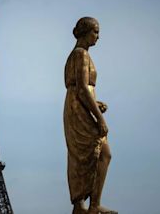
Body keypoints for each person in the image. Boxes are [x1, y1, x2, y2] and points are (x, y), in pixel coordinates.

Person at [63, 17, 117, 214]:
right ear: (85, 32)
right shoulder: (81, 55)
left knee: (90, 155)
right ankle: (91, 205)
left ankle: (84, 205)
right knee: (102, 153)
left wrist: (96, 103)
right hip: (80, 108)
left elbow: (82, 89)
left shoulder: (77, 55)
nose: (98, 36)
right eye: (95, 31)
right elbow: (83, 90)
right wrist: (100, 119)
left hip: (78, 106)